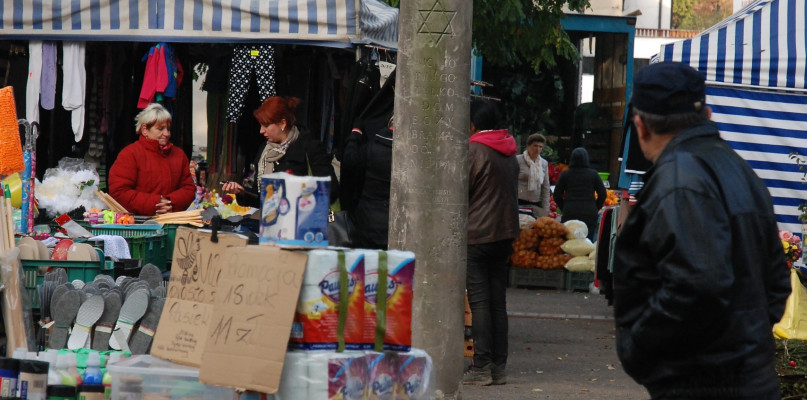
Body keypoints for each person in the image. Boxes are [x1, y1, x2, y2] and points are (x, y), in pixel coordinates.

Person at [613, 62, 791, 399]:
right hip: (748, 377)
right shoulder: (740, 171)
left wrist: (639, 343)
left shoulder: (680, 180)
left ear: (641, 126)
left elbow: (699, 284)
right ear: (707, 114)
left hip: (701, 382)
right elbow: (776, 284)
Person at [462, 99, 519, 386]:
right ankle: (499, 367)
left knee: (481, 302)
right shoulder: (509, 151)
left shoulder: (473, 150)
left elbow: (462, 192)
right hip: (505, 234)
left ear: (473, 123)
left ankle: (481, 366)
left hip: (478, 235)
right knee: (498, 303)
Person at [222, 96, 334, 207]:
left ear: (283, 124)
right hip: (272, 222)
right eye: (260, 125)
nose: (261, 131)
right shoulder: (265, 150)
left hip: (303, 221)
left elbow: (331, 192)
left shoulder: (310, 148)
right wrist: (242, 192)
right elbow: (260, 198)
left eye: (266, 125)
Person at [108, 103, 195, 216]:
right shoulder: (130, 154)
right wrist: (156, 204)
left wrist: (171, 202)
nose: (167, 134)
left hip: (171, 222)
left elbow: (189, 189)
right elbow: (119, 192)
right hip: (136, 224)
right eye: (160, 129)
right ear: (145, 130)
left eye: (168, 129)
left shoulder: (179, 155)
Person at [340, 117, 393, 249]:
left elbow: (349, 160)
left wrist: (355, 134)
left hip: (368, 220)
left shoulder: (371, 147)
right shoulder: (409, 154)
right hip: (395, 222)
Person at [552, 147, 606, 239]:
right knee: (588, 245)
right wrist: (596, 207)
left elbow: (557, 195)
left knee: (569, 244)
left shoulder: (565, 174)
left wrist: (564, 207)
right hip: (589, 213)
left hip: (570, 212)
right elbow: (602, 194)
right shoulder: (593, 174)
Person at [516, 133, 551, 217]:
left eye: (540, 147)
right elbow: (510, 182)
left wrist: (546, 210)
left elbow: (546, 187)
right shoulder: (518, 160)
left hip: (535, 202)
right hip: (519, 201)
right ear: (528, 146)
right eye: (535, 146)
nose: (538, 149)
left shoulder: (543, 163)